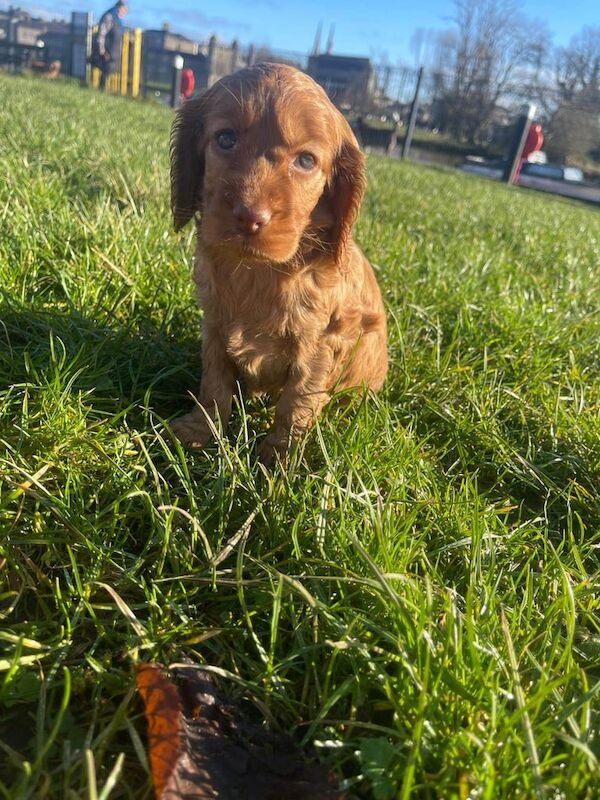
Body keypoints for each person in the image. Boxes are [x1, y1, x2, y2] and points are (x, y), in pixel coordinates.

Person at [90, 0, 127, 90]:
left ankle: (103, 88)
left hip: (113, 49)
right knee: (104, 68)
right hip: (107, 48)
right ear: (119, 8)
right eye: (124, 10)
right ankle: (101, 88)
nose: (125, 12)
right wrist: (101, 48)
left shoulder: (118, 20)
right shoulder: (110, 17)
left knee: (108, 70)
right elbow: (102, 32)